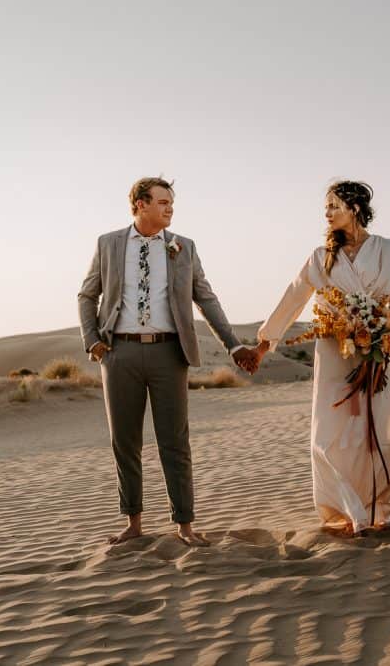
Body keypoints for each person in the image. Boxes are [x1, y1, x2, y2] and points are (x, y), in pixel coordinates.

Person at [77, 176, 259, 547]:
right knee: (124, 441)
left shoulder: (183, 247)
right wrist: (92, 339)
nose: (170, 208)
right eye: (162, 202)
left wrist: (234, 345)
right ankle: (133, 523)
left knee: (174, 442)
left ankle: (185, 525)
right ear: (140, 204)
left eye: (171, 202)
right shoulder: (108, 244)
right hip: (119, 353)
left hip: (169, 353)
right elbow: (86, 294)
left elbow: (205, 299)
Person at [250, 181, 390, 536]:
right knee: (331, 431)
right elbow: (294, 296)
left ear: (354, 208)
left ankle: (377, 509)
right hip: (332, 350)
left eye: (333, 205)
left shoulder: (387, 250)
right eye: (325, 207)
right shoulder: (320, 256)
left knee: (376, 431)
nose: (326, 213)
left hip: (374, 352)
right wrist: (264, 343)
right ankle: (344, 510)